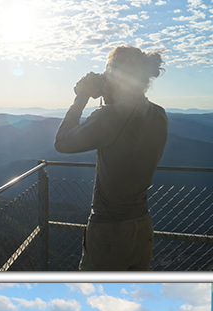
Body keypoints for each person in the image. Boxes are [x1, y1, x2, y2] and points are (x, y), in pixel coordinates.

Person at [54, 45, 168, 271]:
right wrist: (107, 94)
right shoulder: (159, 114)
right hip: (142, 227)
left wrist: (82, 97)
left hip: (109, 232)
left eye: (107, 73)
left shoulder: (112, 115)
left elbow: (62, 142)